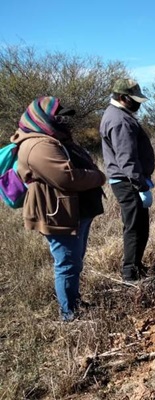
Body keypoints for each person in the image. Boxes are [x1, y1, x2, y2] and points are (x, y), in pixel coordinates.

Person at [10, 97, 106, 322]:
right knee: (66, 263)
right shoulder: (38, 144)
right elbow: (66, 178)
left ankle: (75, 302)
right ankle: (69, 314)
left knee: (74, 260)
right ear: (41, 117)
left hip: (72, 211)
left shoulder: (52, 138)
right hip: (57, 213)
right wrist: (98, 176)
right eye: (59, 116)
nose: (64, 121)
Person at [100, 78, 155, 281]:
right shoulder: (119, 120)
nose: (139, 104)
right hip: (128, 182)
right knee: (134, 228)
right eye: (135, 99)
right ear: (123, 98)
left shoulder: (120, 115)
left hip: (129, 180)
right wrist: (141, 184)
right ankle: (130, 275)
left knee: (140, 227)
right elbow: (126, 158)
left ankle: (137, 267)